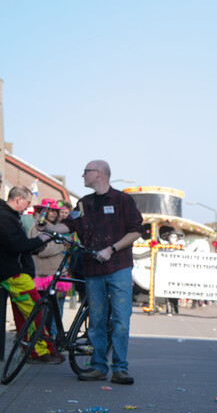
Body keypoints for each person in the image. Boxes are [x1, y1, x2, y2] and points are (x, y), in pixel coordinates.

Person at [42, 160, 143, 384]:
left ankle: (120, 369)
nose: (82, 176)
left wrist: (111, 249)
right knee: (96, 321)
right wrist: (48, 228)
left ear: (99, 173)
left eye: (86, 172)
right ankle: (98, 367)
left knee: (120, 320)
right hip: (92, 269)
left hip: (119, 268)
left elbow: (137, 231)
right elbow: (69, 225)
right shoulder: (84, 203)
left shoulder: (123, 200)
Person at [0, 187, 61, 363]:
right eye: (27, 202)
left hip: (15, 272)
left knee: (24, 315)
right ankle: (40, 352)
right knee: (35, 313)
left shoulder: (10, 216)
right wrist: (39, 240)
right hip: (15, 274)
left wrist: (34, 245)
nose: (28, 207)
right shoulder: (5, 217)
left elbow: (17, 245)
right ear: (18, 199)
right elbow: (16, 245)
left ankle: (30, 350)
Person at [28, 199, 70, 335]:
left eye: (55, 211)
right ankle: (48, 342)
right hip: (45, 277)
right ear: (41, 212)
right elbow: (41, 250)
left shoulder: (54, 227)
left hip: (57, 275)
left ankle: (54, 340)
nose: (54, 213)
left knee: (56, 314)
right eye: (50, 210)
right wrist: (62, 246)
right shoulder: (37, 227)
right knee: (48, 316)